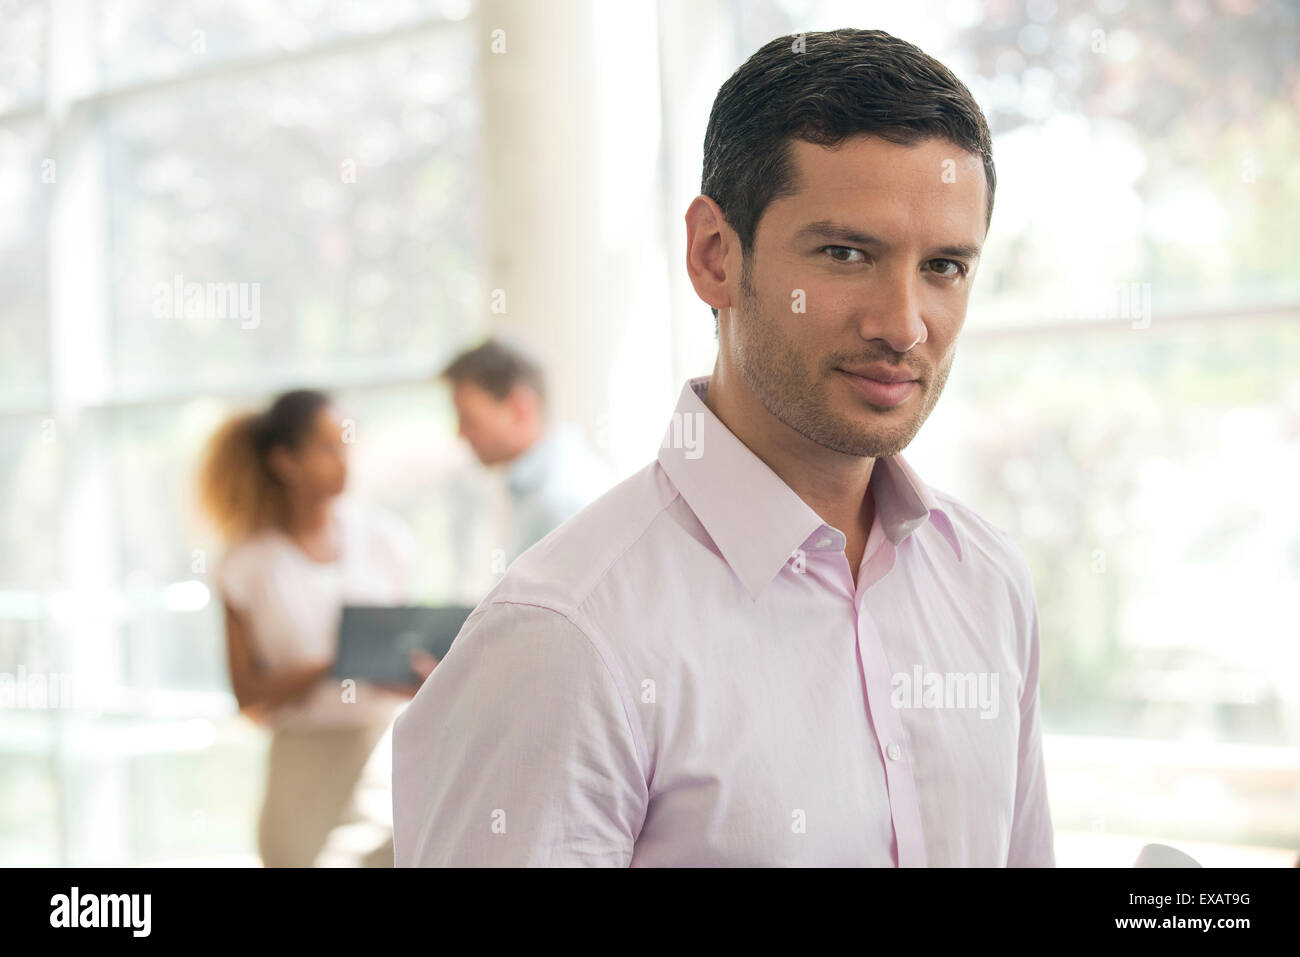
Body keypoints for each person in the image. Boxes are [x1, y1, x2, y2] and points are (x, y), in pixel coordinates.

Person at [394, 29, 1054, 866]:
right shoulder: (564, 636)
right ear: (715, 256)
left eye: (946, 266)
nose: (903, 323)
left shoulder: (988, 581)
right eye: (846, 253)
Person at [198, 388, 427, 867]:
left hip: (382, 754)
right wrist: (331, 664)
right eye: (327, 450)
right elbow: (248, 696)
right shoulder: (245, 566)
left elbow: (405, 664)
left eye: (346, 447)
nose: (344, 463)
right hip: (300, 765)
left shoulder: (384, 540)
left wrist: (415, 672)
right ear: (285, 462)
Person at [440, 337, 614, 565]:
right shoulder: (534, 491)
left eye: (469, 419)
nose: (460, 434)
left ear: (519, 409)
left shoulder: (560, 503)